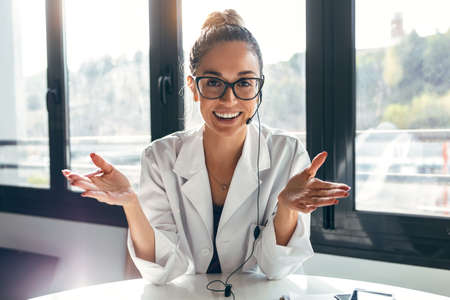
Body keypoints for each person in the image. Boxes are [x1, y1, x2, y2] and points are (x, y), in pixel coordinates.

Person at [62, 9, 351, 285]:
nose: (229, 99)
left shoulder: (287, 155)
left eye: (244, 83)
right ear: (193, 87)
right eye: (213, 82)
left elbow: (275, 270)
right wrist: (131, 205)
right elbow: (161, 271)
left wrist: (287, 208)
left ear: (259, 87)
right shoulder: (160, 157)